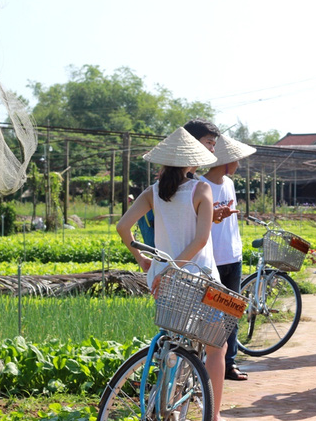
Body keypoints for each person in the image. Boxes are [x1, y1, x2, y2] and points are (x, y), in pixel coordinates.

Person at [116, 127, 228, 421]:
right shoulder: (201, 189)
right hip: (202, 280)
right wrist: (173, 268)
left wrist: (145, 262)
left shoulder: (152, 192)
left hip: (164, 282)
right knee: (217, 347)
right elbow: (201, 240)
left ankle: (171, 407)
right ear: (192, 161)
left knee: (174, 344)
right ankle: (213, 415)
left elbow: (122, 227)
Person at [196, 133, 256, 381]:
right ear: (224, 160)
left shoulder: (228, 184)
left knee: (232, 313)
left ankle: (228, 364)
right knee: (211, 318)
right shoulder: (200, 186)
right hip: (212, 260)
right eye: (236, 160)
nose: (238, 165)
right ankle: (205, 367)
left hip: (233, 257)